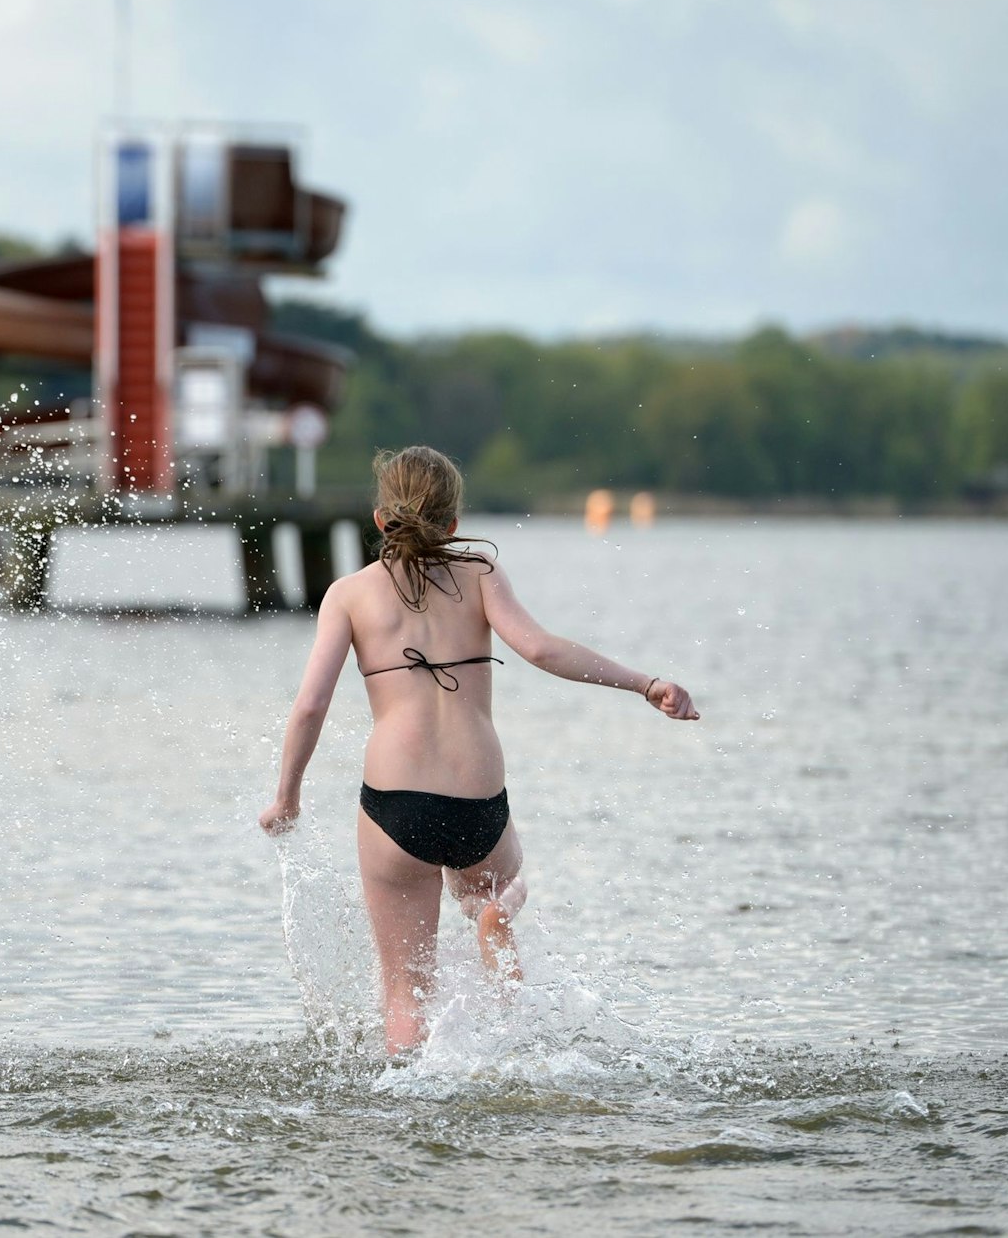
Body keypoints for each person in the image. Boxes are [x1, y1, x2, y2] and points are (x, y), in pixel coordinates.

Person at [257, 446, 698, 1053]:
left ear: (382, 520)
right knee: (498, 893)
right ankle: (497, 919)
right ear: (454, 526)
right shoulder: (480, 575)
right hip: (478, 801)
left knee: (404, 994)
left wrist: (286, 797)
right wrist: (646, 684)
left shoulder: (349, 595)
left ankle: (406, 1113)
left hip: (395, 807)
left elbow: (310, 705)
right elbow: (542, 650)